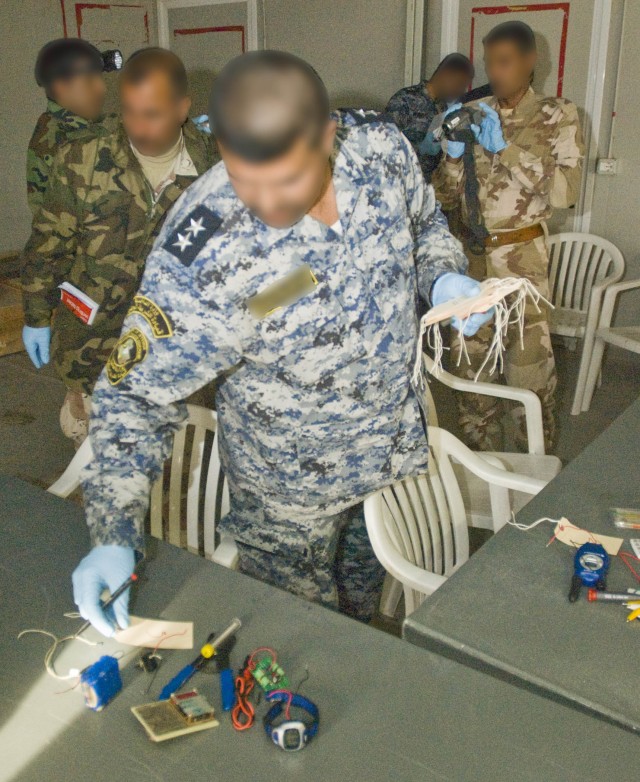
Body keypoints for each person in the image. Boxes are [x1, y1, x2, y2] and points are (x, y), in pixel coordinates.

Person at [69, 51, 492, 636]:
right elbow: (132, 393)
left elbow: (425, 228)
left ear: (327, 134)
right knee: (300, 647)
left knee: (361, 625)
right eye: (247, 180)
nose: (267, 205)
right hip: (287, 495)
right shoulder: (202, 249)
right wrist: (113, 531)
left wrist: (443, 274)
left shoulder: (383, 154)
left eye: (288, 178)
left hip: (389, 460)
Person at [21, 48, 215, 446]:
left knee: (177, 476)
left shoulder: (215, 167)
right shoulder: (83, 155)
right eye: (130, 111)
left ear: (182, 108)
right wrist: (37, 316)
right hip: (94, 348)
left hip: (177, 353)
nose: (139, 127)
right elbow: (48, 245)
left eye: (154, 113)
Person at [432, 21, 584, 452]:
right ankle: (483, 472)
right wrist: (452, 154)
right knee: (470, 372)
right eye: (489, 62)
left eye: (504, 61)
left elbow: (565, 192)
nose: (494, 72)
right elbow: (445, 196)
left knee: (528, 376)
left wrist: (505, 148)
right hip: (473, 259)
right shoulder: (475, 111)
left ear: (530, 60)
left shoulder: (557, 114)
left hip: (523, 263)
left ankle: (533, 475)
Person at [27, 38, 112, 216]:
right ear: (61, 87)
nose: (102, 88)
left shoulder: (85, 127)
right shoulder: (62, 139)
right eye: (90, 80)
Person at [385, 54, 474, 183]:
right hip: (402, 182)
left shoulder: (442, 108)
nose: (460, 91)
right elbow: (387, 147)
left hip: (429, 186)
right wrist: (419, 149)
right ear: (446, 74)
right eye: (460, 84)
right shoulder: (405, 100)